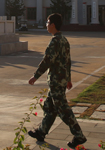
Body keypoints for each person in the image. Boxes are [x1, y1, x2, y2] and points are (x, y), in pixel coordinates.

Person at [28, 13, 87, 149]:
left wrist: (35, 76)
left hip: (56, 81)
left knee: (63, 109)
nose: (46, 25)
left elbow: (47, 60)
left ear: (53, 24)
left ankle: (79, 135)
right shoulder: (64, 40)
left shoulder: (55, 41)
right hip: (60, 80)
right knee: (50, 107)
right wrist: (68, 79)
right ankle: (41, 132)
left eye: (48, 22)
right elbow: (68, 62)